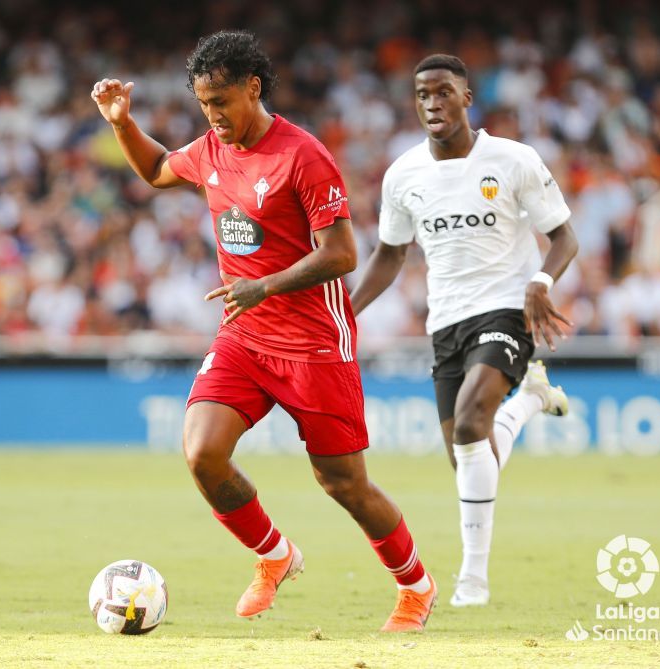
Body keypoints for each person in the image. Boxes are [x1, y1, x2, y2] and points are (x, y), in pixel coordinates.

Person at [91, 30, 436, 631]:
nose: (213, 116)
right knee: (202, 453)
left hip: (315, 342)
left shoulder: (302, 156)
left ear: (253, 88)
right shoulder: (210, 149)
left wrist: (265, 286)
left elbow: (343, 254)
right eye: (204, 105)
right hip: (245, 337)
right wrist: (122, 122)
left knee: (344, 484)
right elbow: (155, 171)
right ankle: (275, 556)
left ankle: (416, 588)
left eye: (221, 102)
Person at [351, 54, 579, 608]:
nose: (433, 103)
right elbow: (389, 254)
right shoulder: (403, 174)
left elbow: (565, 236)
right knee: (469, 455)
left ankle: (472, 579)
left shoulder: (513, 160)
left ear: (466, 97)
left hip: (506, 309)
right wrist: (346, 311)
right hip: (445, 322)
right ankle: (529, 401)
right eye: (423, 94)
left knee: (473, 421)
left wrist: (542, 279)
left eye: (443, 92)